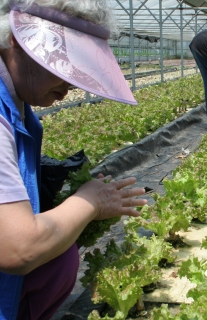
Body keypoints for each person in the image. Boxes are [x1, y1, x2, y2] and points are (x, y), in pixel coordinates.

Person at [0, 0, 148, 318]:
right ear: (16, 38)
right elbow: (18, 249)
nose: (70, 84)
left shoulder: (19, 107)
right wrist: (89, 202)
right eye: (59, 62)